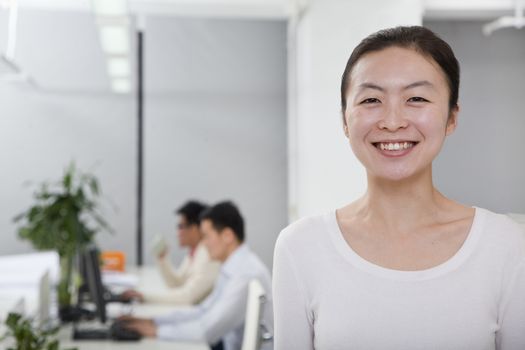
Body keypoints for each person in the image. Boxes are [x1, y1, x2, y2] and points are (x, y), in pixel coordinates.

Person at [273, 26, 525, 350]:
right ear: (345, 120)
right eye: (371, 99)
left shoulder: (507, 246)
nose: (392, 122)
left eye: (416, 98)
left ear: (451, 117)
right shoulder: (301, 247)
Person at [122, 201, 273, 350]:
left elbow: (208, 331)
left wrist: (155, 330)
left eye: (206, 236)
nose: (204, 244)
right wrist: (154, 322)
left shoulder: (245, 274)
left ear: (227, 236)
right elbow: (203, 310)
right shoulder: (231, 267)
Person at [123, 200, 220, 305]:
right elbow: (176, 284)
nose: (178, 233)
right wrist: (162, 259)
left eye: (181, 227)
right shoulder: (194, 252)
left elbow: (188, 297)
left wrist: (144, 296)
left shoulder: (209, 255)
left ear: (196, 228)